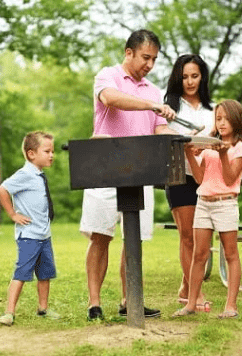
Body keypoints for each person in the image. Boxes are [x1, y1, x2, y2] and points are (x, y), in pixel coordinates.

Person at [80, 29, 177, 321]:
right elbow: (111, 100)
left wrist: (185, 135)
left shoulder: (153, 90)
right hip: (105, 167)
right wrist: (153, 105)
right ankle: (94, 303)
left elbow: (159, 128)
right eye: (146, 57)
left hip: (140, 170)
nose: (149, 64)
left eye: (154, 59)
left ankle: (129, 300)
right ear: (129, 52)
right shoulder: (107, 76)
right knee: (100, 236)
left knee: (134, 238)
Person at [172, 99, 242, 319]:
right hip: (204, 203)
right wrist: (189, 153)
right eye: (218, 118)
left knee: (230, 253)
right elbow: (199, 178)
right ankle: (190, 305)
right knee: (199, 254)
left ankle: (231, 306)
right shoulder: (209, 146)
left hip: (226, 204)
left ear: (236, 120)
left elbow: (229, 178)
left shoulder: (240, 147)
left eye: (226, 118)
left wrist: (223, 153)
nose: (222, 123)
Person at [164, 54, 214, 310]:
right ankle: (197, 294)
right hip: (179, 175)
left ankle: (186, 287)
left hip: (208, 179)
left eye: (194, 76)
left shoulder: (213, 110)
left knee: (203, 239)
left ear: (202, 77)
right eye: (184, 77)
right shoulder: (169, 108)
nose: (190, 81)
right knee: (187, 237)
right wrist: (184, 138)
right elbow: (159, 134)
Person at [0, 131, 59, 326]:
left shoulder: (39, 175)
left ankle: (43, 308)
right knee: (21, 273)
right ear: (31, 154)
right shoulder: (24, 174)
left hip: (44, 235)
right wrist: (13, 214)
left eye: (52, 151)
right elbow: (2, 189)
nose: (51, 155)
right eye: (47, 151)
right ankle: (9, 312)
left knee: (45, 274)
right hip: (29, 236)